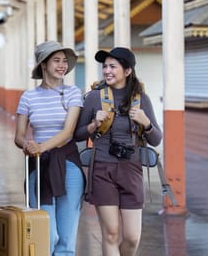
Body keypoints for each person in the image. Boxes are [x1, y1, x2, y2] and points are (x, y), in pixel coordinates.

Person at [74, 47, 162, 256]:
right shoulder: (94, 97)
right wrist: (94, 125)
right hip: (102, 170)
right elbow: (76, 134)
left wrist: (146, 122)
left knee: (132, 237)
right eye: (105, 66)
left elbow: (156, 139)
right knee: (111, 234)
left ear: (128, 70)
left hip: (131, 171)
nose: (107, 71)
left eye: (113, 66)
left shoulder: (142, 99)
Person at [14, 41, 85, 255]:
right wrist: (27, 145)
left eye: (65, 61)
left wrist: (40, 147)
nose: (62, 65)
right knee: (47, 233)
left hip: (69, 164)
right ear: (43, 64)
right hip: (40, 167)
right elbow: (18, 136)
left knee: (66, 238)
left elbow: (67, 133)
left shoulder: (73, 93)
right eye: (56, 60)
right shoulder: (28, 97)